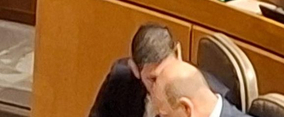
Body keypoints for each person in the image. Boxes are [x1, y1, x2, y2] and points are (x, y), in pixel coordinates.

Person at [90, 25, 228, 117]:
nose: (163, 82)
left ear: (178, 53)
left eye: (167, 70)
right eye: (153, 79)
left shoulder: (212, 94)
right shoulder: (121, 79)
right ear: (135, 70)